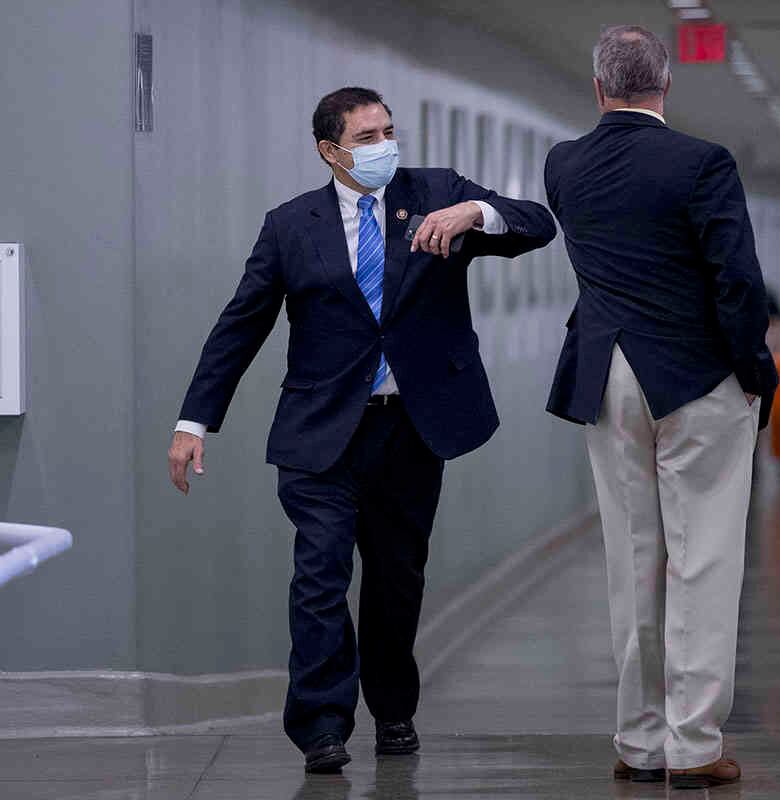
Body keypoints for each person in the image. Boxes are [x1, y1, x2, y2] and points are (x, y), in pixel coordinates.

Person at [167, 87, 555, 774]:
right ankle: (321, 723)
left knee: (395, 578)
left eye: (388, 131)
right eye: (367, 137)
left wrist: (476, 210)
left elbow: (536, 223)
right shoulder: (292, 225)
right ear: (330, 151)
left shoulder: (436, 192)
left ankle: (394, 707)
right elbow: (240, 325)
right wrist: (194, 420)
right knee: (319, 574)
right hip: (321, 431)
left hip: (410, 427)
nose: (383, 146)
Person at [545, 25, 778, 790]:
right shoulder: (702, 163)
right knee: (703, 559)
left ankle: (640, 743)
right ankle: (694, 744)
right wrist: (754, 372)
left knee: (632, 559)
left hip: (606, 373)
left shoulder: (564, 165)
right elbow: (737, 281)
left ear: (599, 87)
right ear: (666, 84)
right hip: (695, 378)